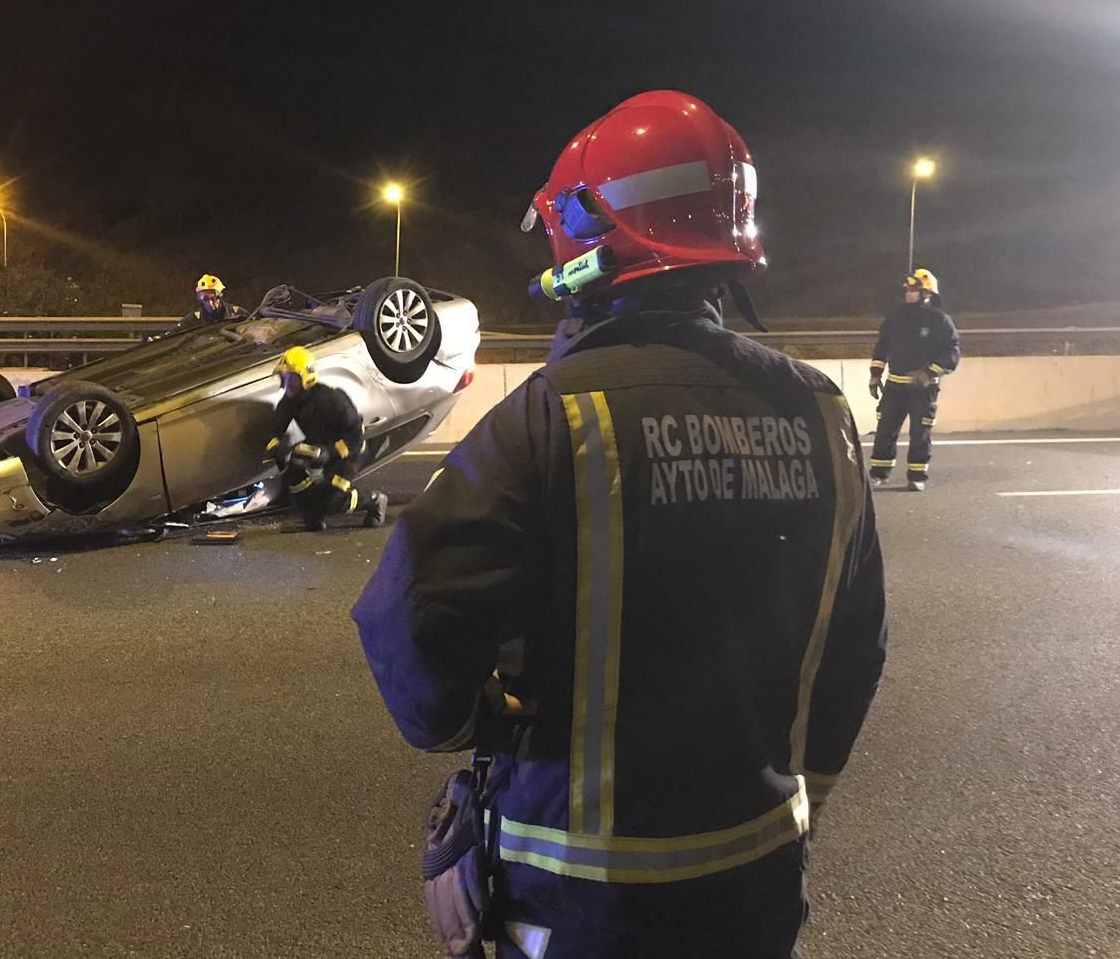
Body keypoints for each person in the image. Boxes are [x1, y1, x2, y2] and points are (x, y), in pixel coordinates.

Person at [352, 90, 887, 958]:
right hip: (756, 883)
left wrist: (474, 722)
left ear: (599, 229)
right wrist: (797, 801)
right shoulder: (824, 416)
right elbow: (856, 650)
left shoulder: (550, 416)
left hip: (579, 904)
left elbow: (410, 621)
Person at [264, 346, 387, 531]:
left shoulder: (331, 399)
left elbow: (356, 435)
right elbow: (274, 429)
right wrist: (277, 448)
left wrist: (330, 452)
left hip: (348, 454)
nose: (286, 384)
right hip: (319, 449)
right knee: (293, 477)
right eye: (284, 378)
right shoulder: (290, 402)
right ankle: (313, 517)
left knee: (334, 500)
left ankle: (374, 500)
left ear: (306, 377)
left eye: (291, 379)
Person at [868, 268, 960, 491]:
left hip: (923, 388)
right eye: (908, 290)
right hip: (894, 386)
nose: (909, 294)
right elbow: (882, 346)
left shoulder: (940, 320)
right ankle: (879, 473)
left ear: (927, 294)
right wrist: (875, 374)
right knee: (885, 430)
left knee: (920, 432)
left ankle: (917, 476)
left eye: (914, 290)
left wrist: (929, 373)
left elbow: (952, 352)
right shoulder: (895, 317)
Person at [174, 274, 246, 331]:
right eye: (205, 298)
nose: (211, 303)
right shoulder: (193, 320)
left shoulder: (238, 314)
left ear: (221, 295)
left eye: (214, 297)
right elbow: (174, 336)